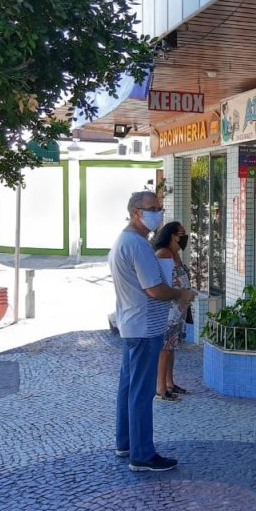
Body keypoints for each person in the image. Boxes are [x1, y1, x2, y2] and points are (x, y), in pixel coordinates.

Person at [109, 191, 196, 472]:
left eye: (159, 208)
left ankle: (126, 443)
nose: (158, 213)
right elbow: (155, 290)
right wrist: (180, 294)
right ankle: (142, 454)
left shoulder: (125, 241)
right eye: (152, 208)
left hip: (132, 324)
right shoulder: (137, 245)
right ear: (136, 212)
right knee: (141, 392)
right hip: (144, 328)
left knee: (129, 387)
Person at [152, 221, 192, 400]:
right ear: (172, 236)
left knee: (171, 347)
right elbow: (159, 282)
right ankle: (161, 388)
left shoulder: (175, 254)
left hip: (179, 309)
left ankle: (169, 382)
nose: (184, 238)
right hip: (168, 310)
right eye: (181, 234)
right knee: (165, 349)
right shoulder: (163, 254)